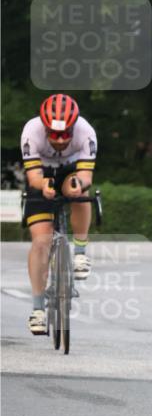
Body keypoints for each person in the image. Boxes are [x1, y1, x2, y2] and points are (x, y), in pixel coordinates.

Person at [20, 94, 98, 335]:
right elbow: (33, 178)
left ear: (74, 127)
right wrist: (43, 186)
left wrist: (78, 185)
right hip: (41, 172)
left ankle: (80, 252)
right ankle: (37, 309)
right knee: (41, 241)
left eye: (66, 134)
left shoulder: (86, 132)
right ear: (45, 127)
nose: (61, 140)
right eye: (54, 134)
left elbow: (86, 176)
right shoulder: (31, 131)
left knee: (79, 192)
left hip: (70, 169)